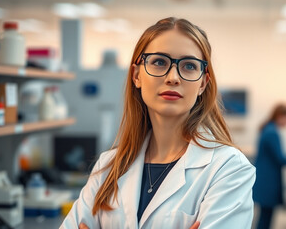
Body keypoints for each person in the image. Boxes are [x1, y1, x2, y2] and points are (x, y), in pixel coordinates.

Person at [60, 17, 256, 229]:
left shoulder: (229, 169)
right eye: (159, 62)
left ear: (202, 83)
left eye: (189, 65)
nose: (173, 77)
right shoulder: (108, 167)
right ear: (137, 76)